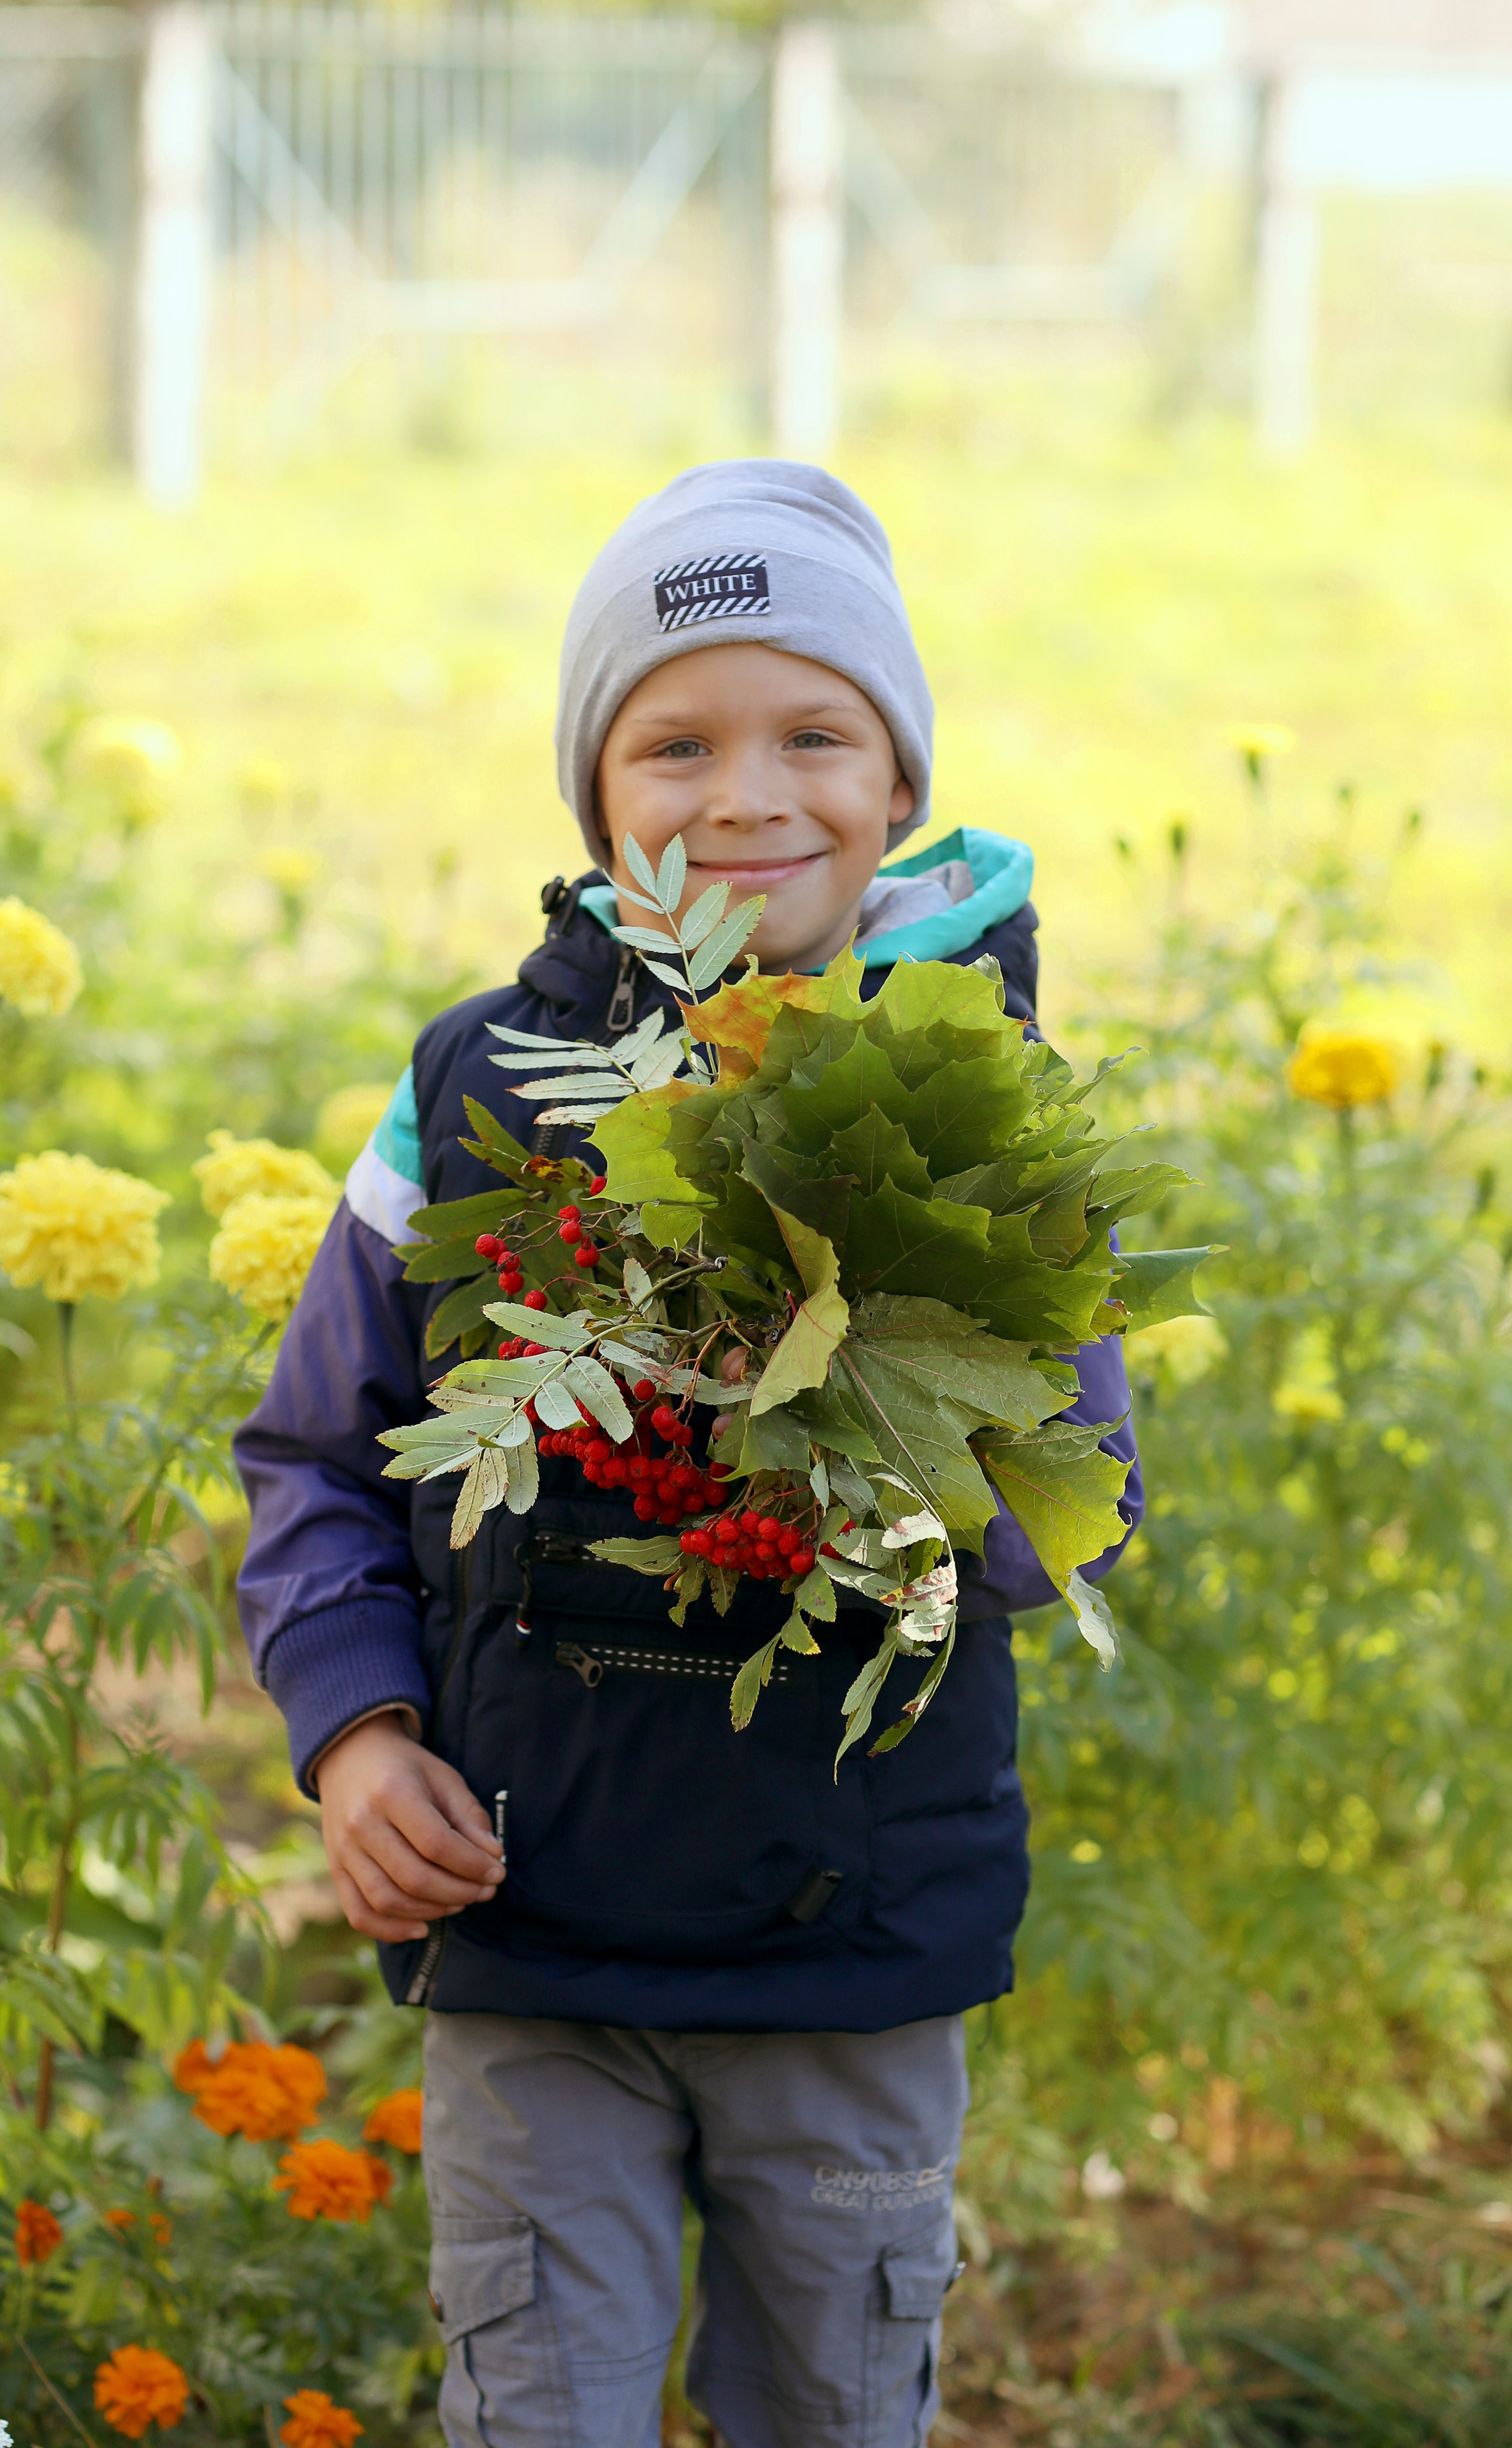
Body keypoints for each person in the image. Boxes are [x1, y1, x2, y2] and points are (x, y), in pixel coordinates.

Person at [234, 461, 1143, 2448]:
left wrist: (872, 1377)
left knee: (834, 2408)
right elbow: (319, 1452)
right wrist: (360, 1729)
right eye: (677, 740)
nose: (747, 796)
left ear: (898, 784)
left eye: (816, 732)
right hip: (531, 1928)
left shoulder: (977, 1100)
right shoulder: (480, 1088)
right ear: (595, 798)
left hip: (853, 1961)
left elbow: (1066, 1524)